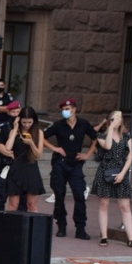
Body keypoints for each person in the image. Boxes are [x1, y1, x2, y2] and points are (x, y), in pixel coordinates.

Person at [42, 98, 98, 239]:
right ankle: (61, 225)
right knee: (59, 195)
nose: (65, 111)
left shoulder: (83, 124)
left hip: (76, 164)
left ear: (74, 109)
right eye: (63, 109)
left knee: (79, 195)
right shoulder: (59, 125)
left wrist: (88, 154)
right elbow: (41, 136)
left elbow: (96, 138)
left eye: (67, 109)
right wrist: (54, 148)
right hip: (60, 164)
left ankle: (80, 228)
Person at [90, 111, 132, 248]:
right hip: (105, 172)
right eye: (114, 118)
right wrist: (110, 128)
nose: (117, 120)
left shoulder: (126, 136)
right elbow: (108, 146)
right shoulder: (100, 136)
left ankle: (131, 238)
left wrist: (123, 173)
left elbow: (130, 157)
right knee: (104, 205)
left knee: (125, 206)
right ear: (109, 120)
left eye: (120, 118)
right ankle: (104, 236)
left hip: (121, 171)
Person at [2, 106, 45, 213]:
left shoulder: (38, 132)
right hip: (16, 169)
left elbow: (39, 155)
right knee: (13, 205)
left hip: (31, 169)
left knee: (32, 205)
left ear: (34, 121)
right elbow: (8, 147)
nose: (26, 125)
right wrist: (16, 128)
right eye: (24, 122)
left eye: (29, 122)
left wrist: (31, 143)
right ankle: (11, 228)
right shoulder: (14, 131)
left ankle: (32, 228)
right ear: (19, 120)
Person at [0, 101, 27, 214]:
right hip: (5, 165)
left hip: (21, 166)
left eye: (18, 111)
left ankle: (21, 220)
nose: (16, 114)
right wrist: (10, 153)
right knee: (1, 194)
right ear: (8, 112)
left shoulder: (25, 127)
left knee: (22, 197)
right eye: (13, 112)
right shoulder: (2, 127)